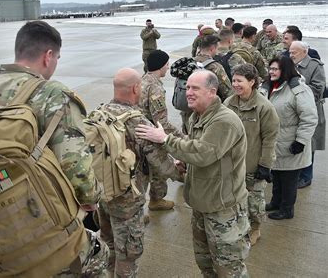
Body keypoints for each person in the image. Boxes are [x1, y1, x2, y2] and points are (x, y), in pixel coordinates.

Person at [0, 20, 108, 277]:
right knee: (99, 259)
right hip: (40, 232)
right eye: (57, 58)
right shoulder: (53, 94)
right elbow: (76, 168)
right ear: (48, 56)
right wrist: (91, 200)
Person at [136, 70, 251, 277]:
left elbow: (203, 153)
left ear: (212, 92)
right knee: (205, 262)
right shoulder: (198, 115)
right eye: (187, 87)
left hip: (222, 207)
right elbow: (198, 149)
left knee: (229, 269)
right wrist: (184, 162)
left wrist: (165, 139)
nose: (188, 92)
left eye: (194, 88)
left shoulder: (223, 121)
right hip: (201, 202)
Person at [98, 67, 180, 277]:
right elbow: (161, 164)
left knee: (109, 244)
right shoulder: (138, 122)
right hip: (128, 201)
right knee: (128, 254)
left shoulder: (98, 114)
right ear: (136, 88)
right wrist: (180, 170)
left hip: (103, 196)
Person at [224, 64, 280, 245]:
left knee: (254, 202)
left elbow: (270, 139)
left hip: (253, 164)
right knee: (235, 199)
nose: (235, 84)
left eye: (239, 81)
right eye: (233, 80)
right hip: (232, 164)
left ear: (252, 81)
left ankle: (255, 228)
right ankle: (240, 225)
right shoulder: (229, 103)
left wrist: (265, 165)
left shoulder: (264, 107)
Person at [260, 56, 317, 219]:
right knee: (277, 174)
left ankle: (287, 209)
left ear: (285, 70)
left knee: (289, 179)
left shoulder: (299, 89)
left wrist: (300, 141)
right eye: (270, 68)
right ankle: (276, 202)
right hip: (274, 142)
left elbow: (309, 117)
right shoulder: (267, 86)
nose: (271, 72)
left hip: (291, 142)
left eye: (275, 69)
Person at [139, 50, 184, 211]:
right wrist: (181, 136)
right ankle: (156, 200)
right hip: (151, 134)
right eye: (166, 64)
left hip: (140, 131)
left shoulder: (143, 80)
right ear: (160, 66)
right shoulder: (155, 87)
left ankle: (154, 200)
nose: (168, 67)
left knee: (144, 169)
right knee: (159, 168)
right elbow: (161, 122)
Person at [289, 41, 326, 188]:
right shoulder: (288, 64)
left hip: (311, 111)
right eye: (290, 52)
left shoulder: (315, 66)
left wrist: (297, 87)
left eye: (294, 52)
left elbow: (318, 89)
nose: (291, 55)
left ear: (305, 52)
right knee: (293, 142)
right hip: (291, 111)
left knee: (309, 143)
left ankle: (306, 176)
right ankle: (295, 174)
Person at [195, 35, 233, 101]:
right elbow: (227, 91)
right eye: (217, 48)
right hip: (207, 106)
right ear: (212, 49)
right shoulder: (215, 67)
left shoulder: (190, 62)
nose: (217, 51)